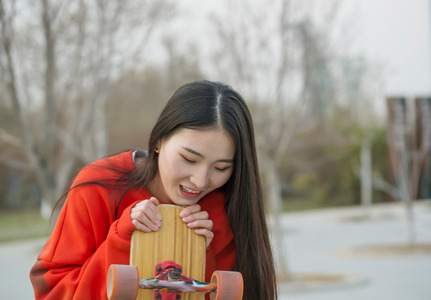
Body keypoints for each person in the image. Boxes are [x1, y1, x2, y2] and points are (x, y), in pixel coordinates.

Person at [30, 80, 277, 299]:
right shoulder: (100, 186)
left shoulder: (227, 205)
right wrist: (122, 243)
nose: (201, 181)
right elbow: (52, 292)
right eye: (189, 159)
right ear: (159, 140)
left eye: (221, 167)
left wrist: (205, 256)